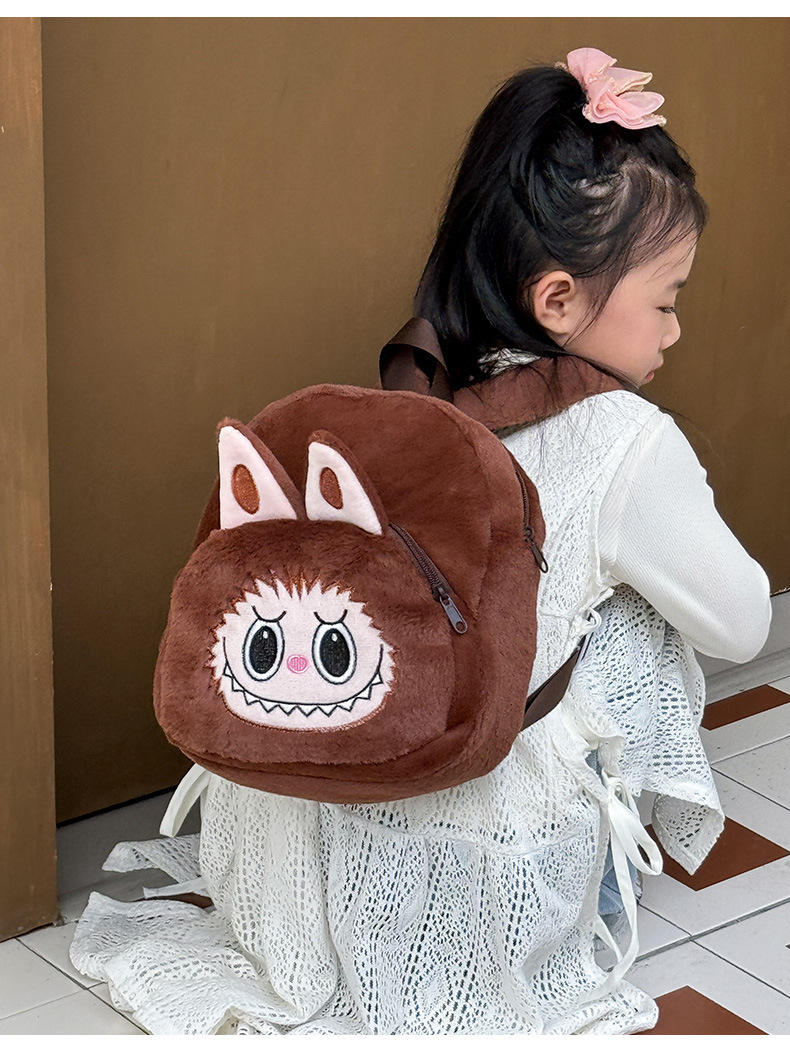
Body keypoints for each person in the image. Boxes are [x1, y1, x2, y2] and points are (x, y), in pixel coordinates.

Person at [70, 48, 772, 1035]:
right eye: (666, 300)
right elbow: (742, 626)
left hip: (304, 849)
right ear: (558, 300)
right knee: (635, 617)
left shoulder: (418, 386)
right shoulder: (626, 441)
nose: (674, 331)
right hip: (489, 864)